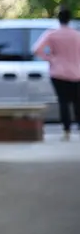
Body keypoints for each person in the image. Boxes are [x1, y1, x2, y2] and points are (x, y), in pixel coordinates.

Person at [32, 9, 80, 140]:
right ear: (69, 19)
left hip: (58, 72)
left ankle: (66, 131)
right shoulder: (76, 35)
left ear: (58, 19)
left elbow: (36, 49)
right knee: (77, 102)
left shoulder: (52, 34)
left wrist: (50, 58)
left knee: (63, 101)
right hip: (76, 72)